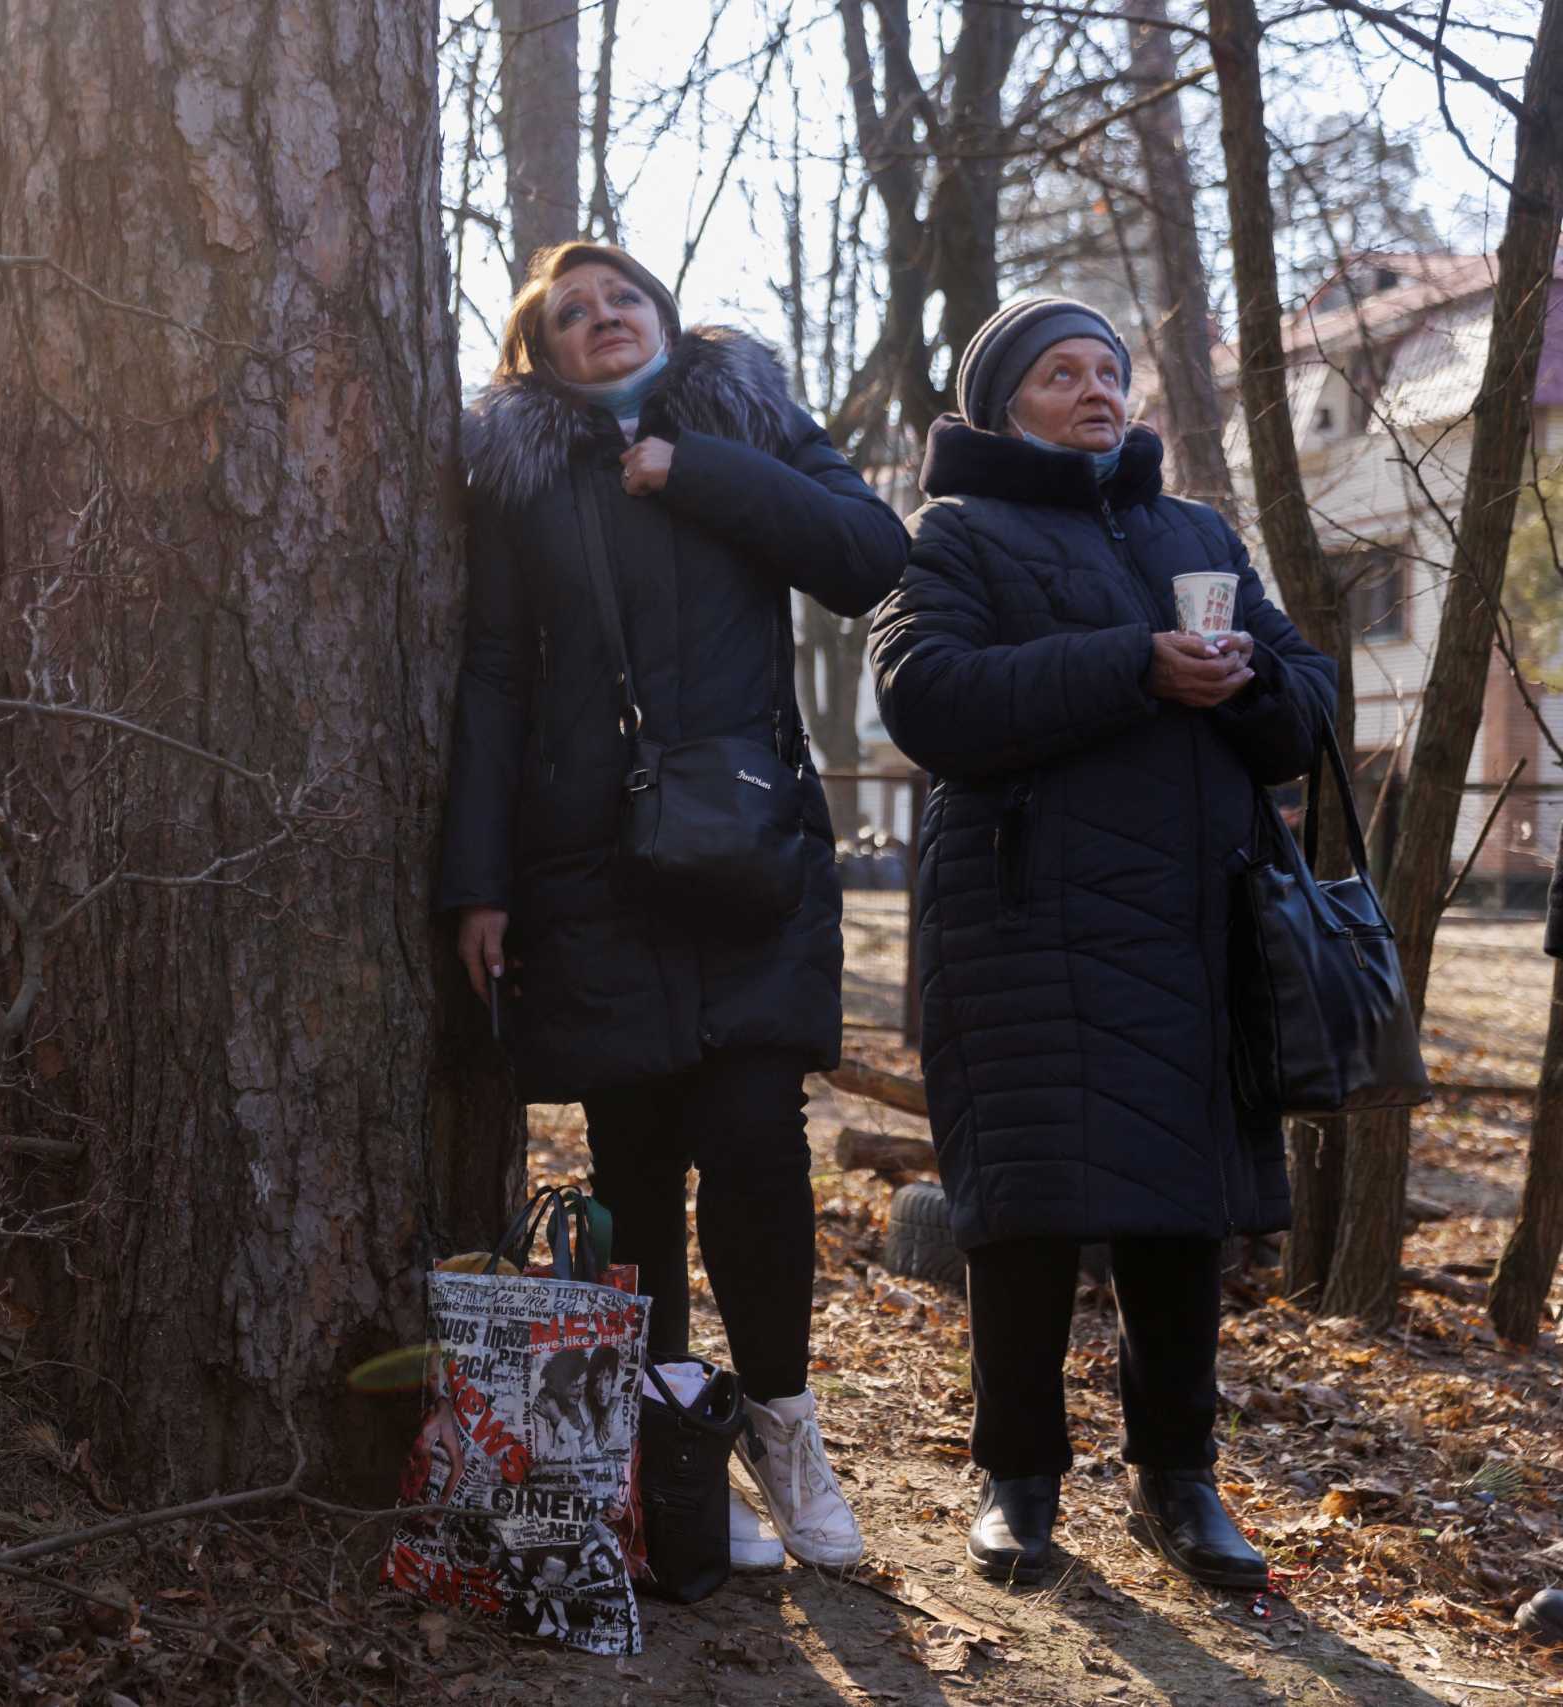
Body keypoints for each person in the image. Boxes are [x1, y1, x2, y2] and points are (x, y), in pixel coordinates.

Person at [440, 242, 909, 1572]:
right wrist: (477, 882)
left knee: (758, 1147)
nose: (600, 319)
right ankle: (670, 1454)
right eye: (569, 313)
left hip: (753, 854)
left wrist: (694, 472)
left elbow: (868, 553)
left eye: (620, 299)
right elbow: (488, 676)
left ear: (661, 316)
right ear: (541, 352)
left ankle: (782, 1422)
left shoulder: (744, 416)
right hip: (589, 872)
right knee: (634, 1166)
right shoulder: (523, 477)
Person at [868, 297, 1336, 1590]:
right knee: (1020, 1208)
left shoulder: (1195, 529)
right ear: (1000, 402)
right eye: (1060, 371)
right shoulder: (954, 533)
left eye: (1108, 370)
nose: (1093, 389)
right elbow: (927, 695)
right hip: (1023, 924)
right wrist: (1134, 663)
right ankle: (1018, 1481)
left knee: (1181, 1215)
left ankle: (1177, 1480)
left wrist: (1243, 677)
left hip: (1194, 926)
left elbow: (1307, 704)